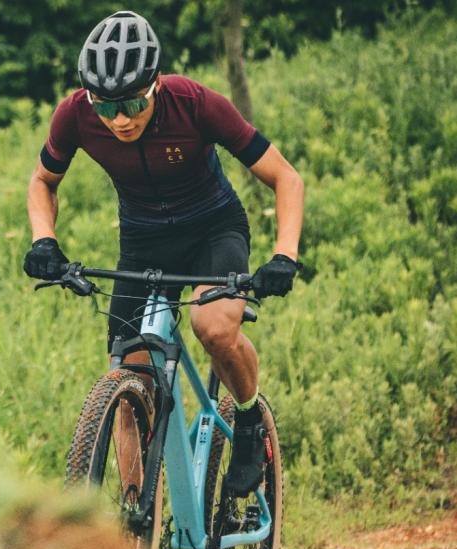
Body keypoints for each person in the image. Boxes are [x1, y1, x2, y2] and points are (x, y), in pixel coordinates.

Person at [23, 10, 303, 496]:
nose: (121, 119)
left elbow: (285, 177)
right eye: (106, 108)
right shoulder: (74, 115)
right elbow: (43, 181)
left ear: (155, 85)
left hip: (212, 229)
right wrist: (43, 240)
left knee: (212, 326)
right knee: (128, 375)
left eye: (132, 103)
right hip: (144, 241)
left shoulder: (195, 104)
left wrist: (285, 255)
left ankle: (249, 418)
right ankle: (137, 525)